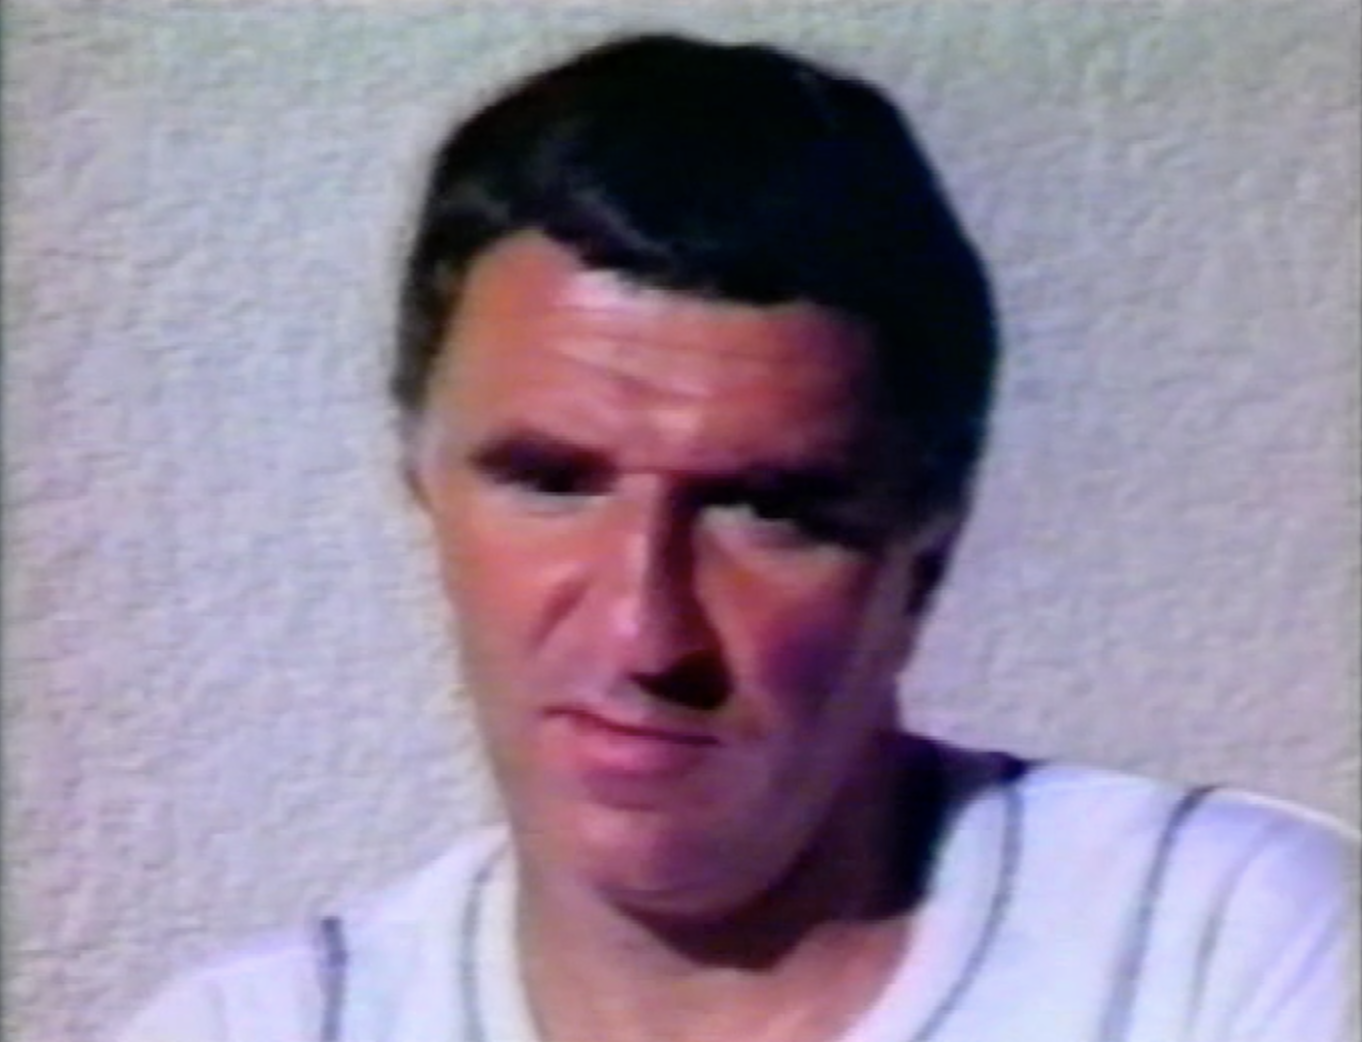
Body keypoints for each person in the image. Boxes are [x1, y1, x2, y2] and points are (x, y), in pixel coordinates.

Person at [113, 32, 1356, 1042]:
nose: (643, 630)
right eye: (550, 482)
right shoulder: (256, 1025)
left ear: (924, 555)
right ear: (421, 487)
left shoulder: (1226, 950)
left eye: (767, 511)